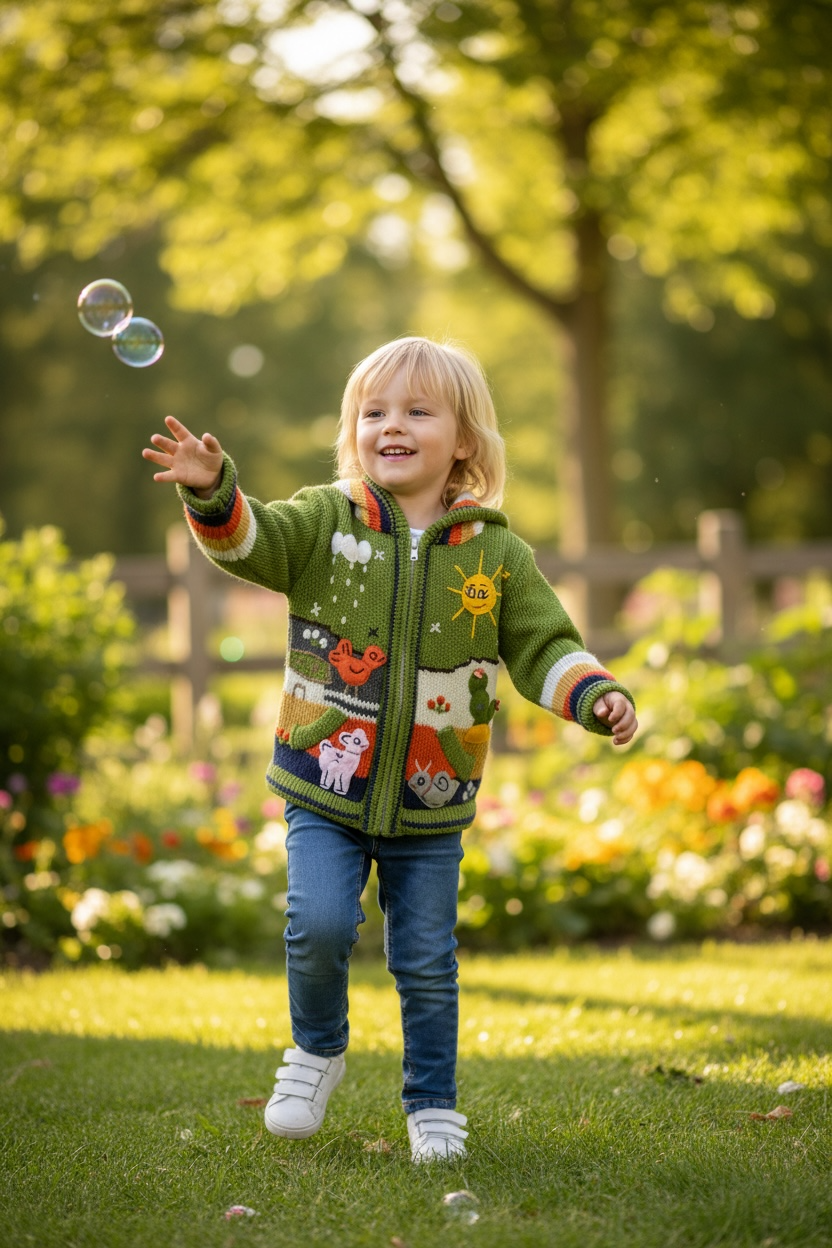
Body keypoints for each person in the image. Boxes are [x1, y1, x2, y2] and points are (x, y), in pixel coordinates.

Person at [142, 336, 637, 1164]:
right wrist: (212, 492)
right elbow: (250, 543)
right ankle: (317, 1050)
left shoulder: (498, 556)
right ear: (353, 430)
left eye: (416, 411)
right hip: (323, 786)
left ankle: (432, 1104)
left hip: (430, 802)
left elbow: (544, 644)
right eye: (374, 412)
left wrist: (596, 694)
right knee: (319, 924)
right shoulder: (325, 520)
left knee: (426, 962)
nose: (391, 425)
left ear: (465, 440)